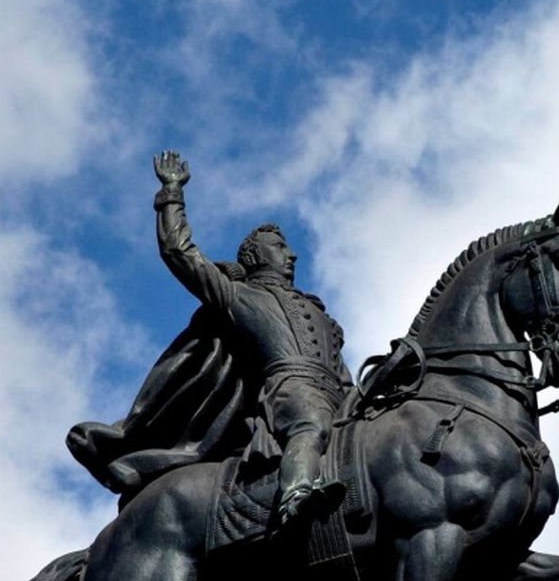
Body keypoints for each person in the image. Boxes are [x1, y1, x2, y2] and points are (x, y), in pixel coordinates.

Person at [67, 151, 349, 525]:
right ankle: (296, 496)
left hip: (343, 397)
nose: (292, 254)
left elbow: (342, 373)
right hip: (290, 390)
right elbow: (180, 253)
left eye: (288, 247)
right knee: (308, 424)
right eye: (279, 246)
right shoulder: (238, 295)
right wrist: (171, 193)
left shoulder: (321, 314)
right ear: (254, 255)